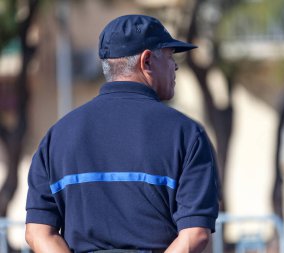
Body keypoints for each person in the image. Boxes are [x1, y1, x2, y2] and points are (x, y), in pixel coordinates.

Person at [25, 14, 219, 253]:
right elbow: (195, 234)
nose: (175, 66)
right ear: (147, 61)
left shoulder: (56, 137)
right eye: (170, 56)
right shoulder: (187, 134)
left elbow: (38, 232)